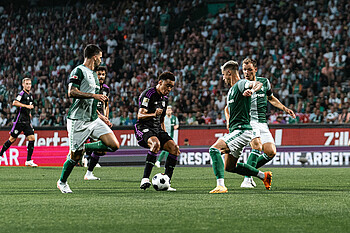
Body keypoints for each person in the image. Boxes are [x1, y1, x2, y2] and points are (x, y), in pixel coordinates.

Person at [57, 44, 119, 193]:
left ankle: (84, 148)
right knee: (75, 156)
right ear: (94, 56)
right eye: (100, 57)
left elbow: (93, 101)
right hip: (78, 120)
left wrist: (101, 116)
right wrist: (93, 95)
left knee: (113, 145)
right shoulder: (79, 70)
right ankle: (62, 182)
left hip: (93, 119)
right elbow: (71, 92)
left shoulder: (94, 75)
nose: (101, 60)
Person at [209, 60, 272, 194]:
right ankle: (263, 176)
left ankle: (220, 185)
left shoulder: (241, 84)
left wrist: (252, 90)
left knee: (214, 150)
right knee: (230, 167)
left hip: (242, 130)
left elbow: (257, 84)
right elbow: (228, 109)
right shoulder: (232, 90)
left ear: (229, 73)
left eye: (223, 75)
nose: (223, 78)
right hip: (236, 130)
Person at [240, 58, 295, 188]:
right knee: (256, 147)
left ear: (255, 69)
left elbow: (271, 98)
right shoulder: (241, 84)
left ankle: (249, 172)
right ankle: (247, 179)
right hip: (249, 122)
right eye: (244, 70)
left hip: (262, 123)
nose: (246, 72)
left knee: (271, 152)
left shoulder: (264, 82)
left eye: (249, 69)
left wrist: (284, 108)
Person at [134, 71, 179, 191]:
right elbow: (140, 115)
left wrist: (165, 134)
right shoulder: (148, 94)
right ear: (160, 82)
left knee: (174, 149)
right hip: (143, 128)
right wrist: (154, 113)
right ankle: (145, 179)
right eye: (167, 85)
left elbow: (162, 119)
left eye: (171, 87)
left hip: (157, 129)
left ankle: (167, 183)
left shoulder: (165, 99)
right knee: (155, 144)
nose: (169, 89)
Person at [83, 65, 113, 180]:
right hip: (89, 117)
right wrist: (101, 117)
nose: (101, 76)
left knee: (102, 148)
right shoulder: (91, 87)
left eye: (103, 74)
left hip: (100, 119)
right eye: (99, 74)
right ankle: (84, 154)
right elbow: (90, 104)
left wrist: (106, 118)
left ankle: (85, 154)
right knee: (100, 145)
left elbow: (106, 104)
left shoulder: (106, 89)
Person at [0, 78, 38, 167]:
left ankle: (28, 160)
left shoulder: (30, 96)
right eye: (27, 84)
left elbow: (29, 108)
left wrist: (29, 114)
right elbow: (15, 102)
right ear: (23, 85)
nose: (28, 85)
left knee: (32, 138)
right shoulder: (21, 94)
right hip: (19, 121)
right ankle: (0, 154)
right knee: (12, 139)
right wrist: (26, 106)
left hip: (27, 122)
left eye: (29, 84)